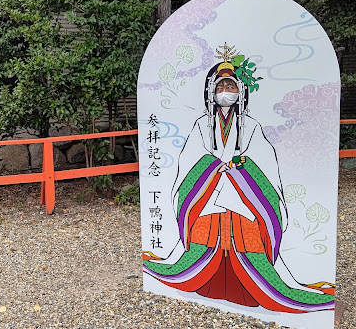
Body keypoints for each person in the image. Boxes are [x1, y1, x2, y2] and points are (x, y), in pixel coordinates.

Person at [142, 46, 335, 313]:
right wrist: (213, 167)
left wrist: (238, 167)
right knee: (203, 240)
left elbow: (265, 162)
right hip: (209, 195)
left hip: (241, 195)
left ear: (240, 91)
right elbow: (190, 160)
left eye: (230, 86)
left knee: (249, 241)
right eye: (221, 87)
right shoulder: (202, 124)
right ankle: (205, 284)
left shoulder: (251, 125)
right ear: (212, 91)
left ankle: (261, 291)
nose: (225, 92)